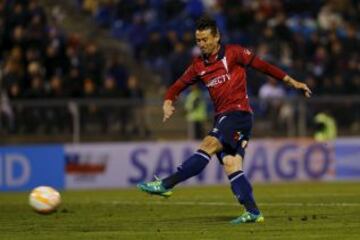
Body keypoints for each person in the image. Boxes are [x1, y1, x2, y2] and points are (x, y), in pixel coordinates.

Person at [137, 15, 311, 224]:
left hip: (238, 114)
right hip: (224, 117)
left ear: (217, 37)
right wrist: (167, 102)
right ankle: (253, 212)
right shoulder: (198, 66)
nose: (201, 44)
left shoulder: (234, 53)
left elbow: (264, 66)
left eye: (205, 39)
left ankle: (166, 184)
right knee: (231, 164)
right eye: (198, 40)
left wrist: (292, 82)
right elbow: (177, 86)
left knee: (209, 144)